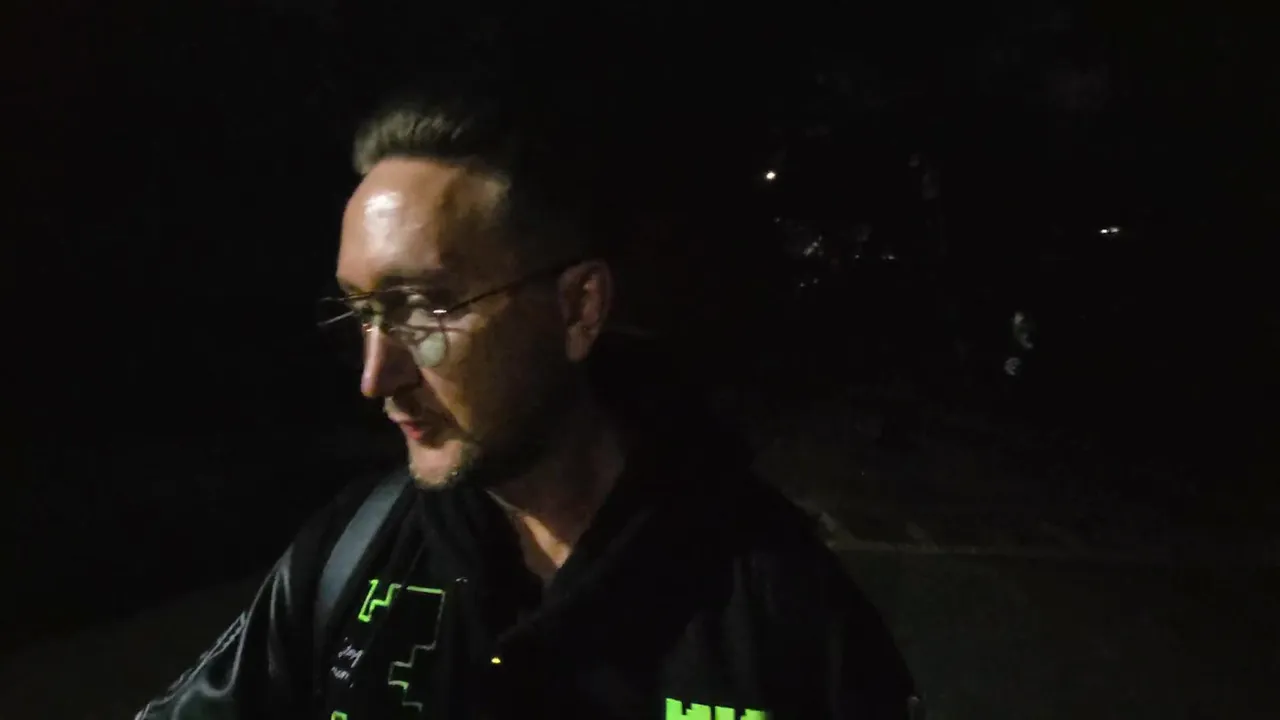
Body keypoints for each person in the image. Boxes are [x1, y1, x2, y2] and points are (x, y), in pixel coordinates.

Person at [135, 83, 916, 720]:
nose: (376, 377)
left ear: (579, 308)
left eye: (426, 308)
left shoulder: (781, 611)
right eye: (363, 314)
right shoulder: (353, 550)